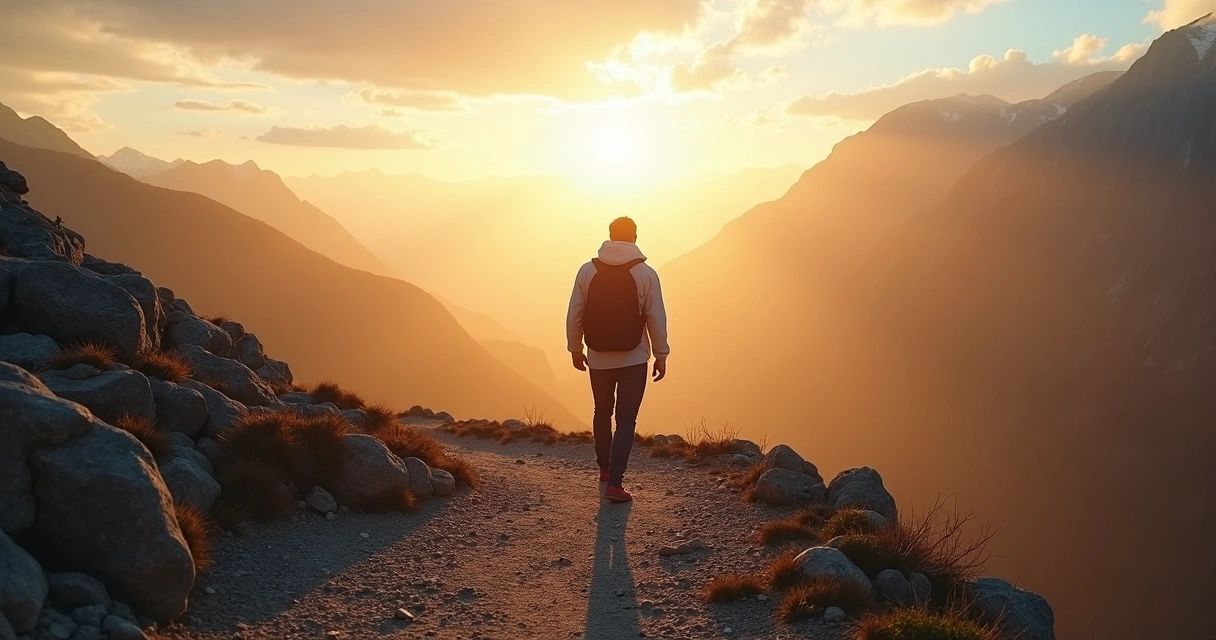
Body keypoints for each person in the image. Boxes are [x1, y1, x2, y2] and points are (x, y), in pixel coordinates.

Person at [566, 217, 669, 503]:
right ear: (634, 237)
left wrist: (575, 349)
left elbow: (575, 313)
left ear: (610, 236)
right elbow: (656, 318)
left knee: (602, 412)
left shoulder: (587, 271)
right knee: (626, 420)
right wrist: (661, 355)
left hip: (598, 357)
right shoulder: (646, 273)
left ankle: (604, 468)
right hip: (634, 358)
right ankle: (615, 483)